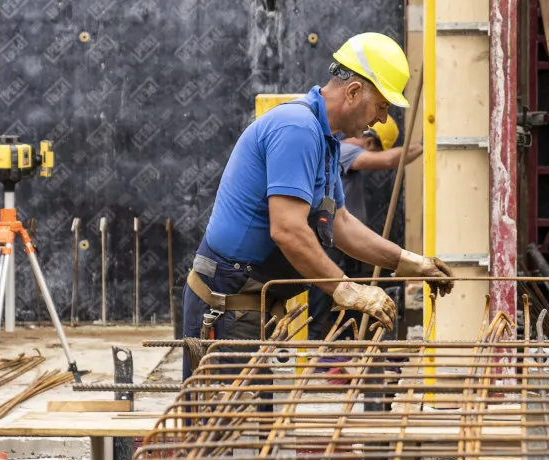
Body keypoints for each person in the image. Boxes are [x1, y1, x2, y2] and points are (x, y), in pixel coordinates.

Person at [182, 32, 454, 376]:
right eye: (382, 106)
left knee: (247, 421)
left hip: (254, 301)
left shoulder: (327, 142)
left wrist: (407, 262)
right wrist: (345, 288)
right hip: (227, 302)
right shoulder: (297, 128)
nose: (383, 120)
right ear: (354, 91)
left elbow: (340, 224)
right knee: (217, 425)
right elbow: (288, 229)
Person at [308, 113, 425, 337]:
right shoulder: (344, 150)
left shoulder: (339, 153)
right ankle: (311, 348)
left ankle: (335, 347)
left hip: (340, 242)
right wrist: (423, 145)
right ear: (370, 142)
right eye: (375, 151)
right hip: (332, 241)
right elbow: (390, 160)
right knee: (322, 297)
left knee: (338, 300)